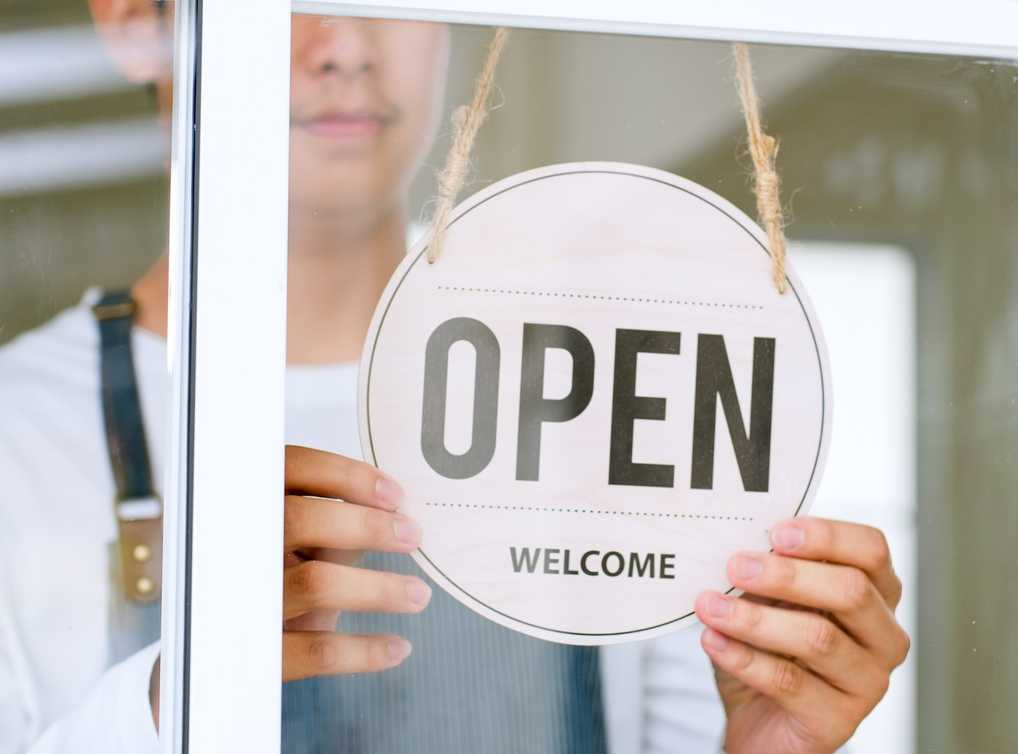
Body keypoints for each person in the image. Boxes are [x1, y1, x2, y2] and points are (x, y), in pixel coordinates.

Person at [0, 2, 910, 753]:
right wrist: (178, 692)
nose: (347, 47)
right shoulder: (16, 430)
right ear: (128, 23)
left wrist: (766, 745)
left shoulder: (625, 409)